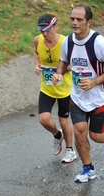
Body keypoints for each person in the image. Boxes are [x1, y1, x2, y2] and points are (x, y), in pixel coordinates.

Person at [52, 5, 104, 183]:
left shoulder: (98, 42)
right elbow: (63, 61)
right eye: (72, 19)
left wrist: (94, 82)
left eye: (79, 19)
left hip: (98, 99)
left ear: (88, 22)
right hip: (77, 98)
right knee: (80, 132)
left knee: (97, 137)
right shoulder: (67, 42)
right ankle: (88, 169)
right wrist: (59, 72)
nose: (74, 22)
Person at [34, 14, 77, 163]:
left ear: (56, 26)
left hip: (64, 88)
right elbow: (36, 53)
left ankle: (70, 150)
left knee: (64, 121)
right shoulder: (37, 40)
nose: (45, 34)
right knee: (44, 119)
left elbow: (73, 65)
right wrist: (37, 64)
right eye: (42, 30)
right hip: (47, 87)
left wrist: (61, 73)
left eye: (48, 30)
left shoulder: (66, 43)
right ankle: (57, 135)